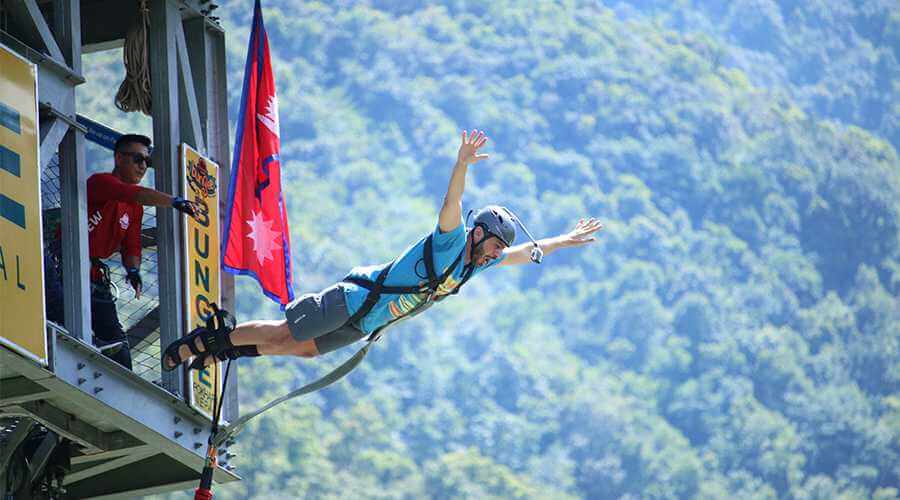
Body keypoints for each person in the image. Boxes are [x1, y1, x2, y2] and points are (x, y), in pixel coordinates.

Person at [163, 130, 603, 370]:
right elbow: (451, 204)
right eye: (493, 243)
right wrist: (461, 164)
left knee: (303, 350)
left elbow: (527, 251)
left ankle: (228, 350)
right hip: (358, 298)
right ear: (478, 232)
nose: (495, 252)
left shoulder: (475, 267)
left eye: (497, 249)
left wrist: (565, 239)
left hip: (367, 322)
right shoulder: (451, 241)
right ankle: (206, 340)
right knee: (285, 333)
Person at [47, 133, 201, 370]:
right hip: (64, 266)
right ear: (119, 158)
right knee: (68, 321)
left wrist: (133, 269)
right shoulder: (101, 183)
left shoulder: (134, 209)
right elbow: (133, 193)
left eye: (146, 162)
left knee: (118, 345)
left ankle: (115, 378)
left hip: (94, 276)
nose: (142, 166)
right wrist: (175, 201)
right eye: (138, 159)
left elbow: (131, 245)